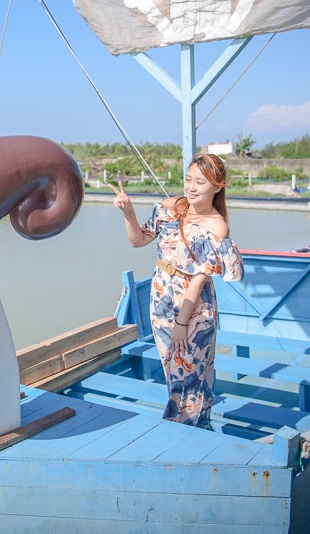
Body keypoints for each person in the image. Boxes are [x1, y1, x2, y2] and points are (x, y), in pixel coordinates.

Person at [108, 153, 244, 428]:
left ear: (218, 186)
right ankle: (189, 429)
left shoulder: (217, 225)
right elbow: (139, 240)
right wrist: (128, 212)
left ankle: (188, 429)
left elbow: (198, 280)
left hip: (193, 308)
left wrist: (182, 322)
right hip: (161, 297)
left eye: (201, 182)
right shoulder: (171, 207)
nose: (191, 187)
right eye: (189, 179)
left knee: (191, 373)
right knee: (174, 372)